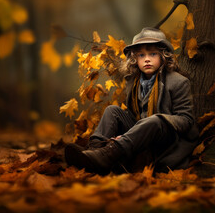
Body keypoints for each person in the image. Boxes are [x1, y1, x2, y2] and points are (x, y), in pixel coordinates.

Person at [65, 27, 198, 174]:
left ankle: (109, 153)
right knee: (112, 111)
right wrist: (131, 133)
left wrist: (159, 120)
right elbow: (135, 114)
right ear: (135, 60)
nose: (147, 59)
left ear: (163, 56)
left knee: (154, 120)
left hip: (166, 140)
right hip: (140, 136)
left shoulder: (178, 82)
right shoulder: (133, 82)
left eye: (153, 54)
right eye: (141, 55)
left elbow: (186, 120)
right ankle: (94, 152)